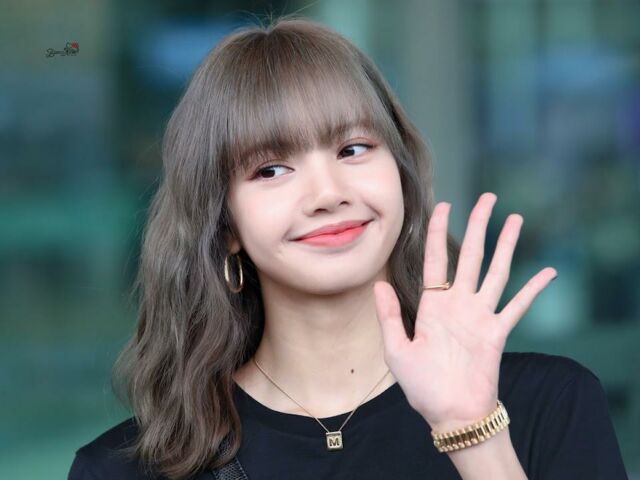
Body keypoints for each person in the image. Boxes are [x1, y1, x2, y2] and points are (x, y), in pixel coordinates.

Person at [68, 14, 629, 480]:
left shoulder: (552, 404)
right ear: (225, 224)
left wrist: (472, 429)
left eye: (353, 149)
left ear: (401, 178)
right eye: (271, 169)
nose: (328, 194)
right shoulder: (123, 470)